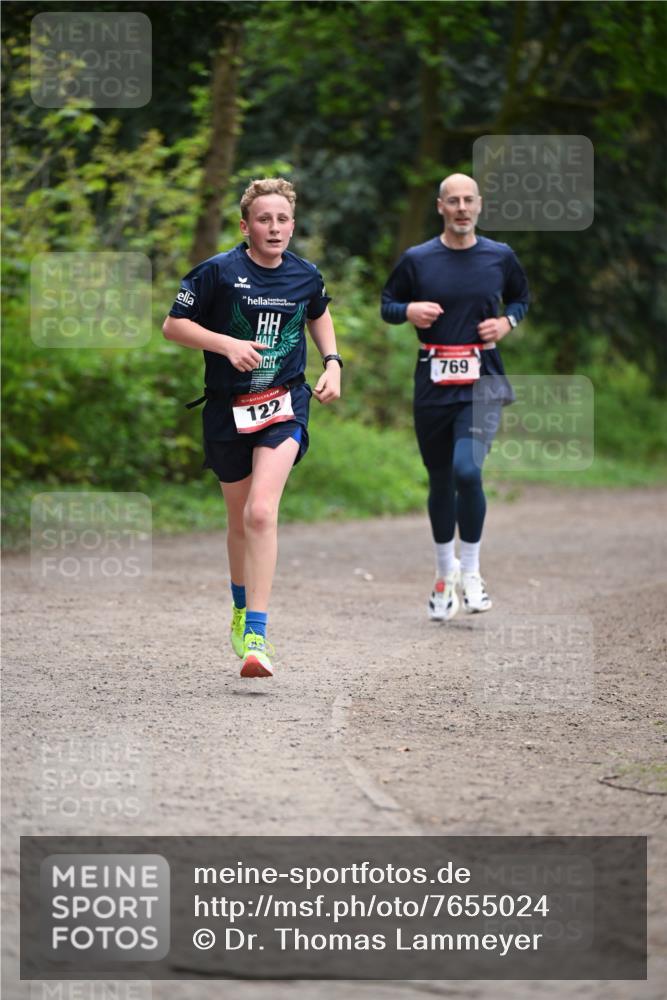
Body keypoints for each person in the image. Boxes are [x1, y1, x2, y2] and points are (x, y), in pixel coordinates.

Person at [163, 178, 342, 677]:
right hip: (227, 410)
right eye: (265, 219)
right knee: (239, 518)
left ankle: (258, 635)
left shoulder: (305, 275)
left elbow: (319, 313)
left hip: (284, 404)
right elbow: (173, 326)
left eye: (283, 219)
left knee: (262, 513)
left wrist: (333, 362)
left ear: (292, 225)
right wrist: (225, 344)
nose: (275, 227)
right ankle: (240, 607)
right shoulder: (217, 272)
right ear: (246, 226)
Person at [381, 173, 529, 621]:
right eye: (454, 201)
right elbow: (388, 303)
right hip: (432, 381)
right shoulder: (418, 259)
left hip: (482, 379)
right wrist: (408, 310)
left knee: (468, 470)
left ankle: (473, 572)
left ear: (479, 205)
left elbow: (520, 297)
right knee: (441, 478)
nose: (462, 208)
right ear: (441, 207)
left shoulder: (500, 257)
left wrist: (508, 323)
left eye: (469, 200)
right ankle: (445, 576)